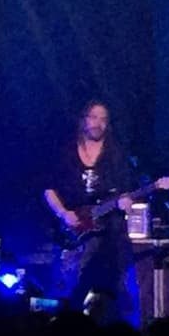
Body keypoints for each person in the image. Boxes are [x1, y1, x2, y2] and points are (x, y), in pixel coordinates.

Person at [43, 101, 137, 323]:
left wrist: (126, 202)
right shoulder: (65, 153)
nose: (98, 123)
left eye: (104, 119)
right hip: (72, 232)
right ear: (83, 120)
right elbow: (48, 189)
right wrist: (63, 213)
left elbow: (126, 191)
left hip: (109, 233)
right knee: (71, 285)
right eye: (94, 117)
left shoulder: (116, 155)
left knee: (117, 287)